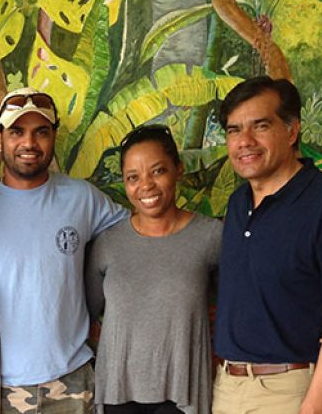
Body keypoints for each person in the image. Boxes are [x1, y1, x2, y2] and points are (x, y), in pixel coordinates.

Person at [0, 87, 127, 413]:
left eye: (41, 132)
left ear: (53, 136)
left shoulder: (82, 199)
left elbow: (137, 236)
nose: (29, 144)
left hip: (73, 381)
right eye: (17, 132)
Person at [212, 76, 322, 414]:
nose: (244, 141)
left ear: (291, 130)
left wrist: (313, 405)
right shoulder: (238, 204)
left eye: (260, 126)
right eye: (234, 130)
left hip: (289, 391)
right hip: (226, 386)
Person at [86, 125, 221, 414]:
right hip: (117, 394)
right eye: (133, 177)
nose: (145, 185)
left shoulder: (211, 236)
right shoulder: (108, 243)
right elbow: (85, 313)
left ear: (178, 170)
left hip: (180, 396)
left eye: (158, 171)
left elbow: (240, 302)